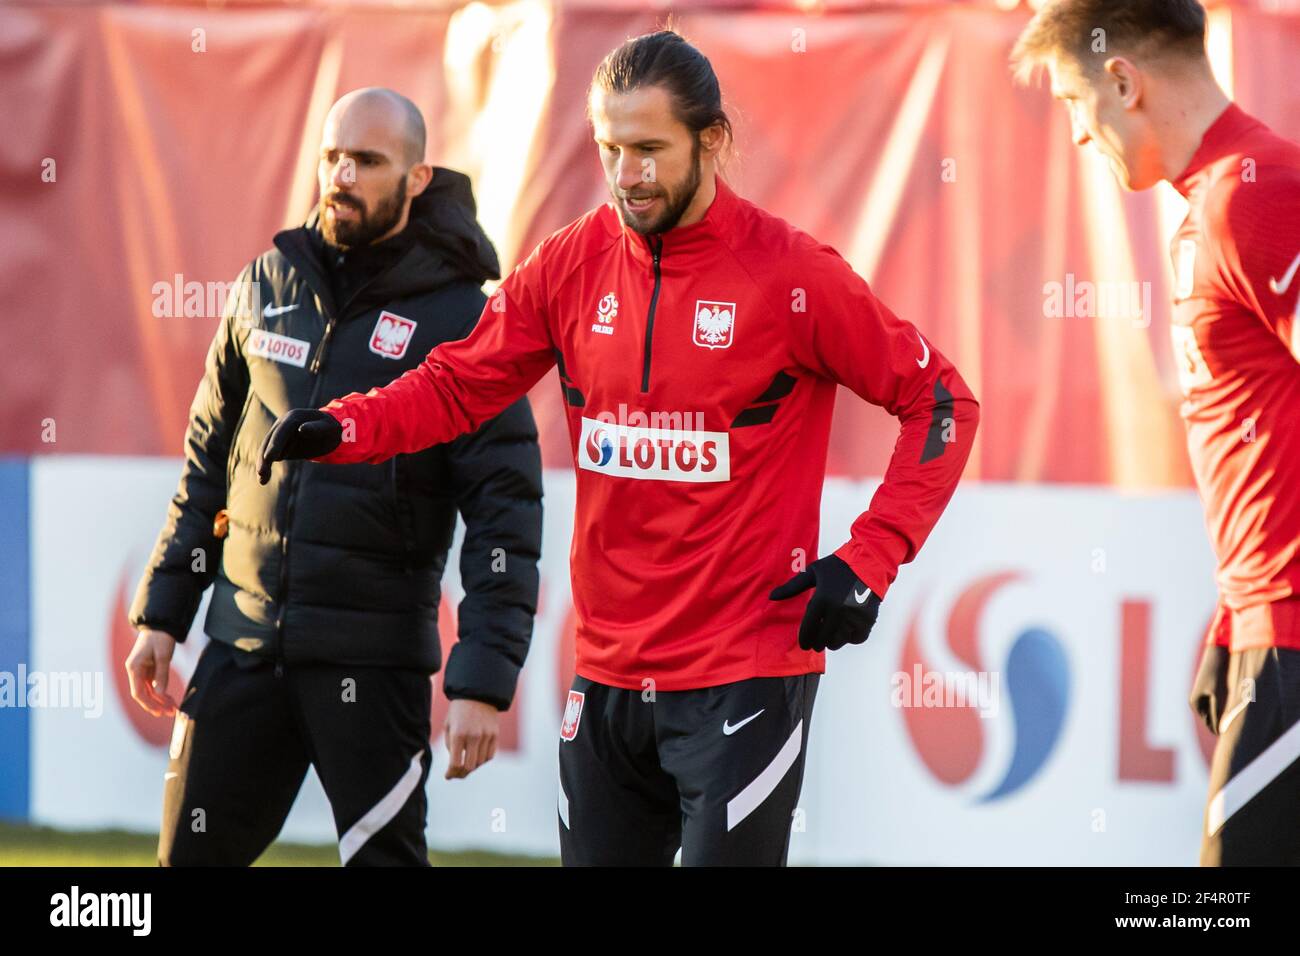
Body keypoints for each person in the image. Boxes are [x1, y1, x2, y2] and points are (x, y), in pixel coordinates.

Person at [258, 34, 979, 866]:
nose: (626, 174)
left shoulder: (792, 275)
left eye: (648, 150)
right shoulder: (570, 264)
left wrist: (869, 558)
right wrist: (347, 427)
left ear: (711, 141)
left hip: (743, 676)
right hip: (605, 678)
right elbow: (461, 381)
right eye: (610, 149)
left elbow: (940, 402)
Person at [125, 88, 543, 866]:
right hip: (241, 645)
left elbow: (506, 516)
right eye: (332, 157)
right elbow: (209, 467)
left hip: (372, 662)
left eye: (368, 162)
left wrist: (482, 681)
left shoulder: (465, 321)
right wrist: (164, 612)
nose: (342, 176)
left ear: (418, 179)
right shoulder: (266, 282)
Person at [1013, 0, 1300, 865]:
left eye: (1071, 101)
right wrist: (1230, 618)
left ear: (1123, 80)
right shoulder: (1216, 199)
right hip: (1264, 629)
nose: (1074, 133)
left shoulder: (1254, 194)